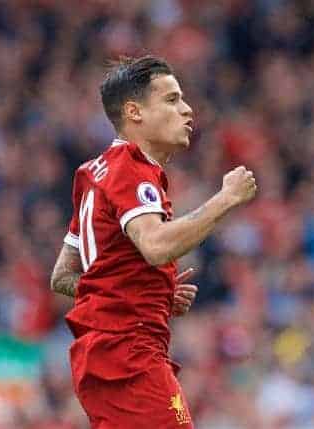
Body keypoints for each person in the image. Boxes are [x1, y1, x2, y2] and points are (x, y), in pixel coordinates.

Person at [50, 55, 257, 429]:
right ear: (134, 112)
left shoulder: (96, 174)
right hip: (129, 353)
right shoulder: (131, 169)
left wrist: (143, 292)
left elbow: (63, 274)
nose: (187, 110)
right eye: (172, 100)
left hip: (105, 354)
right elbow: (156, 245)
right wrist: (225, 199)